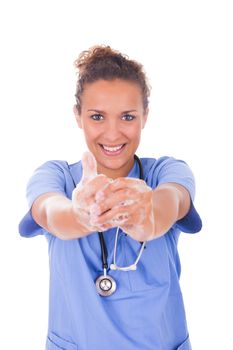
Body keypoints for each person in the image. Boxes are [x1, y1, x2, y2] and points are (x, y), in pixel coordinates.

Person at [19, 45, 202, 350]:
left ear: (145, 116)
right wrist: (79, 216)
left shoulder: (165, 172)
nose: (113, 133)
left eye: (128, 116)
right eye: (98, 116)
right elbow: (49, 211)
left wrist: (152, 217)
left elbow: (174, 200)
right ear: (78, 116)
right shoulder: (57, 177)